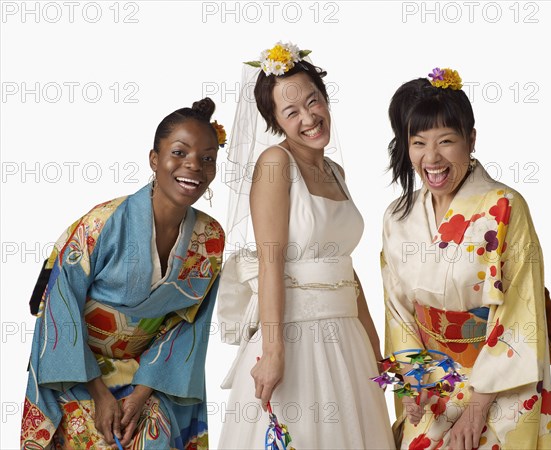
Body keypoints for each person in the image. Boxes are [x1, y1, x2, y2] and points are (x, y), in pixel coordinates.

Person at [20, 98, 226, 449]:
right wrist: (100, 395)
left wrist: (144, 391)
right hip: (77, 365)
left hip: (151, 371)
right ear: (154, 159)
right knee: (100, 437)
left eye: (207, 158)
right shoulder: (103, 223)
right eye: (180, 152)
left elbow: (188, 326)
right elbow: (59, 304)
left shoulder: (211, 238)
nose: (194, 166)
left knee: (151, 435)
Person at [217, 42, 395, 449]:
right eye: (291, 112)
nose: (309, 118)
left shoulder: (336, 170)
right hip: (296, 339)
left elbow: (345, 268)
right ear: (275, 121)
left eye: (313, 102)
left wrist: (373, 345)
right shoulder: (276, 165)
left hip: (346, 336)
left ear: (325, 98)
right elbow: (269, 262)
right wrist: (274, 350)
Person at [381, 68, 551, 449]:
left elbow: (520, 312)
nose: (432, 158)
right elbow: (398, 314)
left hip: (496, 386)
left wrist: (477, 410)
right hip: (433, 386)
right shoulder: (398, 216)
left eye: (446, 141)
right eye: (418, 143)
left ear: (471, 139)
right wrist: (413, 387)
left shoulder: (504, 207)